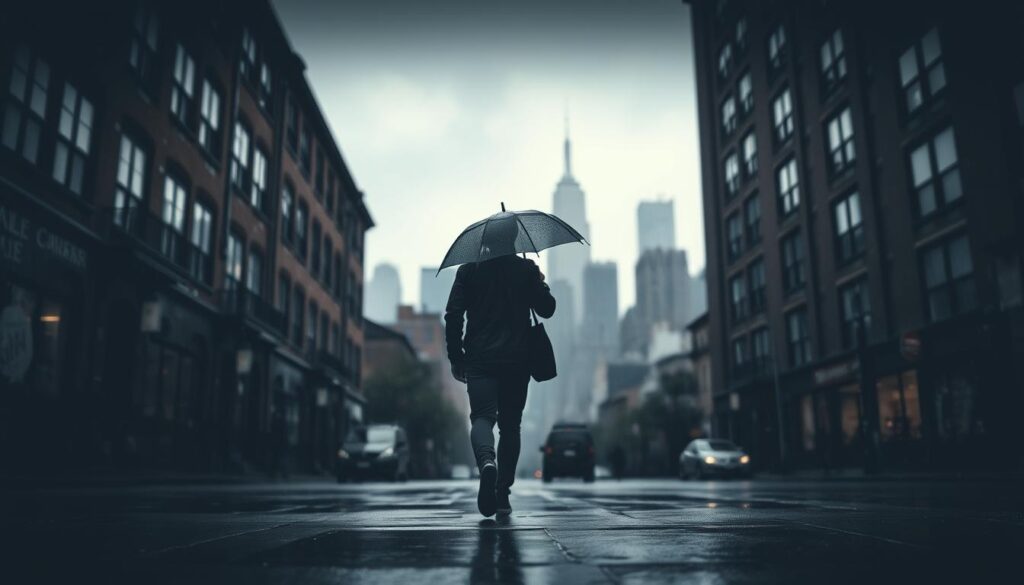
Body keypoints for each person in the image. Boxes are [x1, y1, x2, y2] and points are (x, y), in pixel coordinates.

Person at [444, 217, 556, 517]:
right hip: (517, 360)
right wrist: (539, 281)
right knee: (510, 426)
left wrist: (456, 357)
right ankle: (502, 493)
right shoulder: (525, 270)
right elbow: (548, 309)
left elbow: (453, 315)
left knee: (482, 417)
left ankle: (487, 463)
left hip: (479, 359)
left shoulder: (469, 270)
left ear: (485, 239)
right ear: (515, 237)